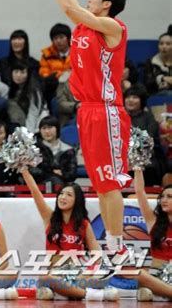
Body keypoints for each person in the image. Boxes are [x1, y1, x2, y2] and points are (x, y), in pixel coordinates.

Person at [24, 0, 130, 256]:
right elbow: (71, 5)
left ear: (107, 4)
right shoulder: (85, 26)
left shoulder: (114, 27)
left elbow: (70, 7)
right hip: (87, 111)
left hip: (107, 110)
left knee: (110, 184)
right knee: (100, 184)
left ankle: (118, 248)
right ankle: (113, 248)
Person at [21, 168, 119, 301]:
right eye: (61, 194)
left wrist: (84, 275)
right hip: (55, 274)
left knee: (103, 276)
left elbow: (97, 255)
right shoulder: (50, 218)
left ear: (77, 200)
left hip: (78, 274)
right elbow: (35, 192)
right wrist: (24, 171)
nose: (63, 197)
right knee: (45, 278)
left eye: (69, 195)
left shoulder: (83, 224)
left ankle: (71, 292)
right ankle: (90, 295)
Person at [132, 170, 172, 301]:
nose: (164, 200)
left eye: (170, 197)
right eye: (163, 196)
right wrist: (138, 168)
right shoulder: (153, 220)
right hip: (156, 275)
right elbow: (139, 192)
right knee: (140, 277)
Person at [124, 85, 167, 186]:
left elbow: (147, 141)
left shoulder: (149, 119)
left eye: (135, 97)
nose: (130, 100)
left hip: (145, 160)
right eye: (128, 97)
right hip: (123, 158)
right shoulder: (119, 117)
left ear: (142, 101)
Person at [31, 115, 77, 185]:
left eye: (50, 128)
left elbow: (71, 174)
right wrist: (52, 172)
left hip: (63, 185)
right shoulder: (35, 149)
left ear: (57, 129)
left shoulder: (68, 150)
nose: (47, 131)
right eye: (44, 128)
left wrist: (61, 174)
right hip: (39, 185)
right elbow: (33, 171)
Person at [8, 60, 47, 133]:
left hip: (36, 124)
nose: (18, 75)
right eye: (16, 72)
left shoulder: (34, 90)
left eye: (22, 72)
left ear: (28, 74)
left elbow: (33, 113)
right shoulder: (10, 88)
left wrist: (28, 134)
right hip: (17, 123)